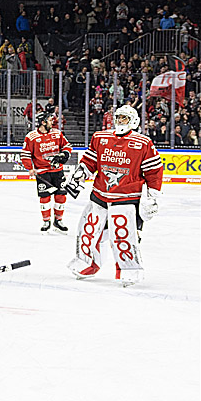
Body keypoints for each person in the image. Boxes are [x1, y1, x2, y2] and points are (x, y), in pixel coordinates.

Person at [64, 104, 163, 286]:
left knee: (123, 235)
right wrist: (77, 178)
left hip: (126, 198)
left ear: (133, 121)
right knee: (89, 230)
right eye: (118, 117)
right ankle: (87, 264)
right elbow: (89, 162)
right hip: (100, 195)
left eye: (124, 118)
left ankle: (129, 269)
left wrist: (152, 195)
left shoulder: (143, 143)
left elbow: (154, 170)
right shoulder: (100, 137)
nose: (120, 121)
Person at [20, 109, 72, 232]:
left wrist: (64, 154)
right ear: (43, 122)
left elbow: (67, 146)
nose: (52, 122)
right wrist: (30, 168)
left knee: (61, 196)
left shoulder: (57, 134)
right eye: (49, 120)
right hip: (42, 173)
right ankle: (46, 221)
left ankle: (58, 220)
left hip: (57, 171)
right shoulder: (31, 137)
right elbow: (25, 154)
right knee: (45, 197)